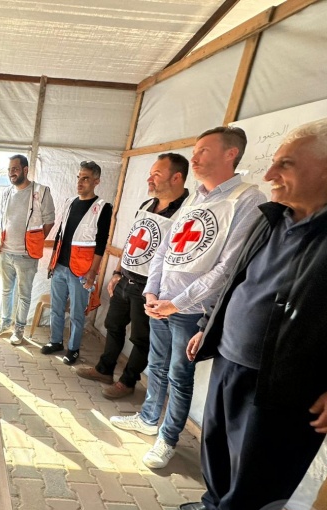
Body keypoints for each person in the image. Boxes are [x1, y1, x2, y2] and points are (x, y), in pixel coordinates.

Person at [181, 118, 327, 510]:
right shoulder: (275, 215)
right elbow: (239, 280)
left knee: (265, 463)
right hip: (232, 354)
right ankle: (218, 502)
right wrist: (211, 324)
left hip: (291, 374)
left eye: (286, 164)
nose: (269, 175)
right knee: (219, 442)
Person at [110, 126, 266, 469]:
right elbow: (166, 246)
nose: (194, 158)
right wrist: (153, 290)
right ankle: (150, 418)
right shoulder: (195, 197)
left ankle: (168, 438)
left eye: (204, 151)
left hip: (190, 309)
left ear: (231, 154)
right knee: (156, 365)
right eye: (194, 151)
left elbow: (228, 267)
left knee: (180, 377)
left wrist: (177, 303)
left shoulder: (248, 199)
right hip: (161, 301)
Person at [76, 154, 189, 398]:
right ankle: (104, 369)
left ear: (177, 177)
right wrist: (117, 271)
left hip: (151, 287)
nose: (149, 179)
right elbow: (132, 241)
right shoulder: (148, 205)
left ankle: (127, 382)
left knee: (141, 338)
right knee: (113, 326)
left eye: (156, 174)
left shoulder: (186, 212)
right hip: (126, 279)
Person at [41, 161, 112, 366]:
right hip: (60, 267)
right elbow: (61, 235)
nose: (80, 182)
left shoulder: (102, 208)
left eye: (86, 178)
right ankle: (55, 341)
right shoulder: (70, 202)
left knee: (77, 313)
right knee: (56, 308)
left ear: (96, 181)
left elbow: (101, 244)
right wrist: (53, 263)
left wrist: (92, 273)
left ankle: (73, 349)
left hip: (81, 271)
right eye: (79, 177)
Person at [0, 154, 55, 345]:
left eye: (15, 169)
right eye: (10, 169)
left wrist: (34, 241)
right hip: (7, 252)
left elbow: (49, 221)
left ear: (25, 170)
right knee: (6, 291)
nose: (11, 173)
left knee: (24, 294)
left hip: (26, 255)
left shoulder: (41, 192)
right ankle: (4, 323)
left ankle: (19, 330)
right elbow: (6, 221)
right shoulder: (6, 193)